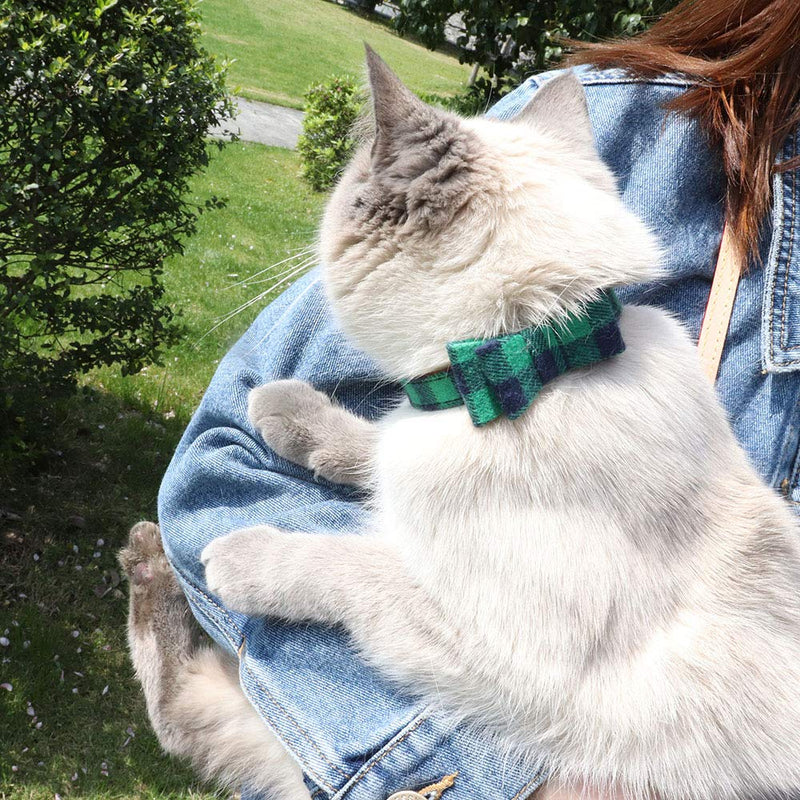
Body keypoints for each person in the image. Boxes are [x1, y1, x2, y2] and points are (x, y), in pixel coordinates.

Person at [156, 1, 800, 798]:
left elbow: (519, 647)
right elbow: (566, 514)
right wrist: (372, 455)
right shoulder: (648, 148)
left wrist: (328, 572)